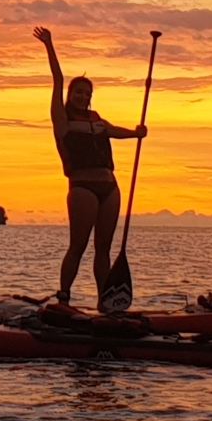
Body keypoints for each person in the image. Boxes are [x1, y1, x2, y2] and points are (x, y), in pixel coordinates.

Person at [33, 26, 145, 307]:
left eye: (87, 93)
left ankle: (104, 302)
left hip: (110, 187)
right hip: (82, 188)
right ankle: (64, 297)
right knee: (79, 246)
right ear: (71, 95)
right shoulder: (62, 120)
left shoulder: (97, 119)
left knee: (103, 249)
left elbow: (114, 131)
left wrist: (136, 133)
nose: (82, 96)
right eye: (78, 92)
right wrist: (49, 45)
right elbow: (57, 78)